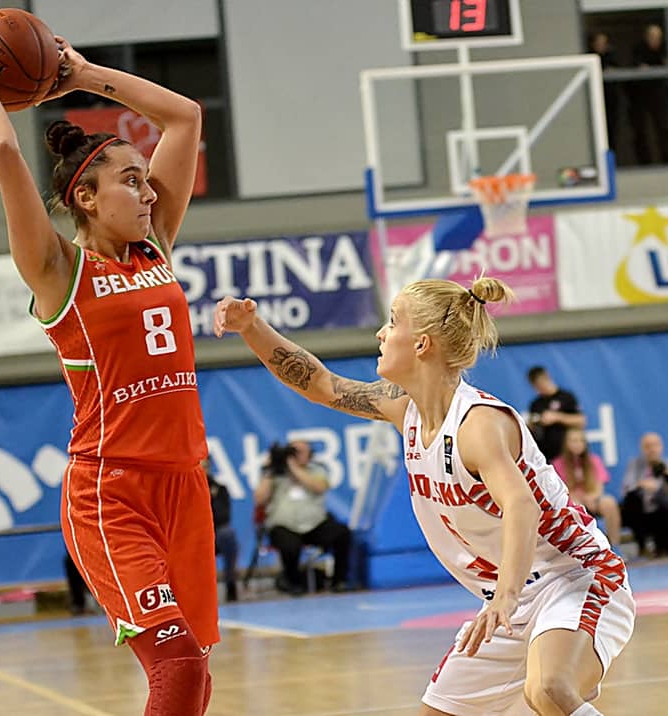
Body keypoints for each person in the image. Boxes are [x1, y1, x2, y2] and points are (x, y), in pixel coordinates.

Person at [214, 277, 634, 716]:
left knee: (549, 689)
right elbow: (321, 384)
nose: (381, 333)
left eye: (392, 322)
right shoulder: (404, 407)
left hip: (575, 577)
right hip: (510, 601)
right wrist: (252, 327)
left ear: (421, 344)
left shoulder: (478, 424)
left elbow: (521, 506)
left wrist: (506, 595)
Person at [0, 35, 216, 714]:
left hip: (184, 484)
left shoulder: (153, 248)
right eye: (131, 180)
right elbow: (4, 151)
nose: (149, 192)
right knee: (178, 665)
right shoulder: (58, 271)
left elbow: (184, 116)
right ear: (87, 198)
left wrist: (83, 73)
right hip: (112, 489)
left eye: (146, 178)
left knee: (197, 673)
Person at [253, 440, 353, 595]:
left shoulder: (317, 470)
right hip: (284, 526)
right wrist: (270, 470)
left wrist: (294, 468)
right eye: (292, 451)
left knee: (342, 533)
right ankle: (293, 582)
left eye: (300, 452)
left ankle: (339, 580)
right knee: (289, 544)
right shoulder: (275, 474)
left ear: (310, 455)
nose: (295, 455)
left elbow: (320, 487)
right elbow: (259, 499)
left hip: (315, 524)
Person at [620, 433, 668, 557]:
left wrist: (658, 490)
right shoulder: (634, 464)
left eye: (655, 445)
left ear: (661, 447)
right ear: (642, 448)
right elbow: (626, 489)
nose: (652, 449)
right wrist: (641, 484)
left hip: (660, 510)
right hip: (641, 511)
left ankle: (662, 547)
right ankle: (642, 547)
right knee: (631, 501)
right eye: (648, 446)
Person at [551, 429, 623, 546]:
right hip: (572, 500)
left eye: (581, 441)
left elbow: (599, 485)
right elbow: (561, 490)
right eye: (574, 441)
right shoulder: (558, 464)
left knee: (609, 503)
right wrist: (579, 500)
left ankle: (614, 544)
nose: (577, 444)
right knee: (573, 508)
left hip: (592, 498)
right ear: (566, 444)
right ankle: (581, 546)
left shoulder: (594, 460)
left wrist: (592, 497)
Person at [629, 23, 668, 165]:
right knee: (641, 130)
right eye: (652, 37)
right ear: (646, 37)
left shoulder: (665, 49)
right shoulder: (638, 50)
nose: (656, 40)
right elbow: (637, 67)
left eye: (658, 37)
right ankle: (645, 162)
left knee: (665, 127)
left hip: (659, 94)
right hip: (640, 94)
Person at [526, 366, 586, 462]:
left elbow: (581, 421)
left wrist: (557, 417)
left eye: (542, 382)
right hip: (544, 455)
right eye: (537, 385)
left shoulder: (566, 397)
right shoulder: (536, 404)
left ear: (547, 377)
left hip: (565, 454)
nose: (541, 387)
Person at [206, 458, 239, 602]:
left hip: (214, 532)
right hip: (191, 534)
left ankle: (230, 582)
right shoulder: (184, 488)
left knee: (227, 534)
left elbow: (223, 516)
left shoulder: (219, 489)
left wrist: (209, 498)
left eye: (206, 466)